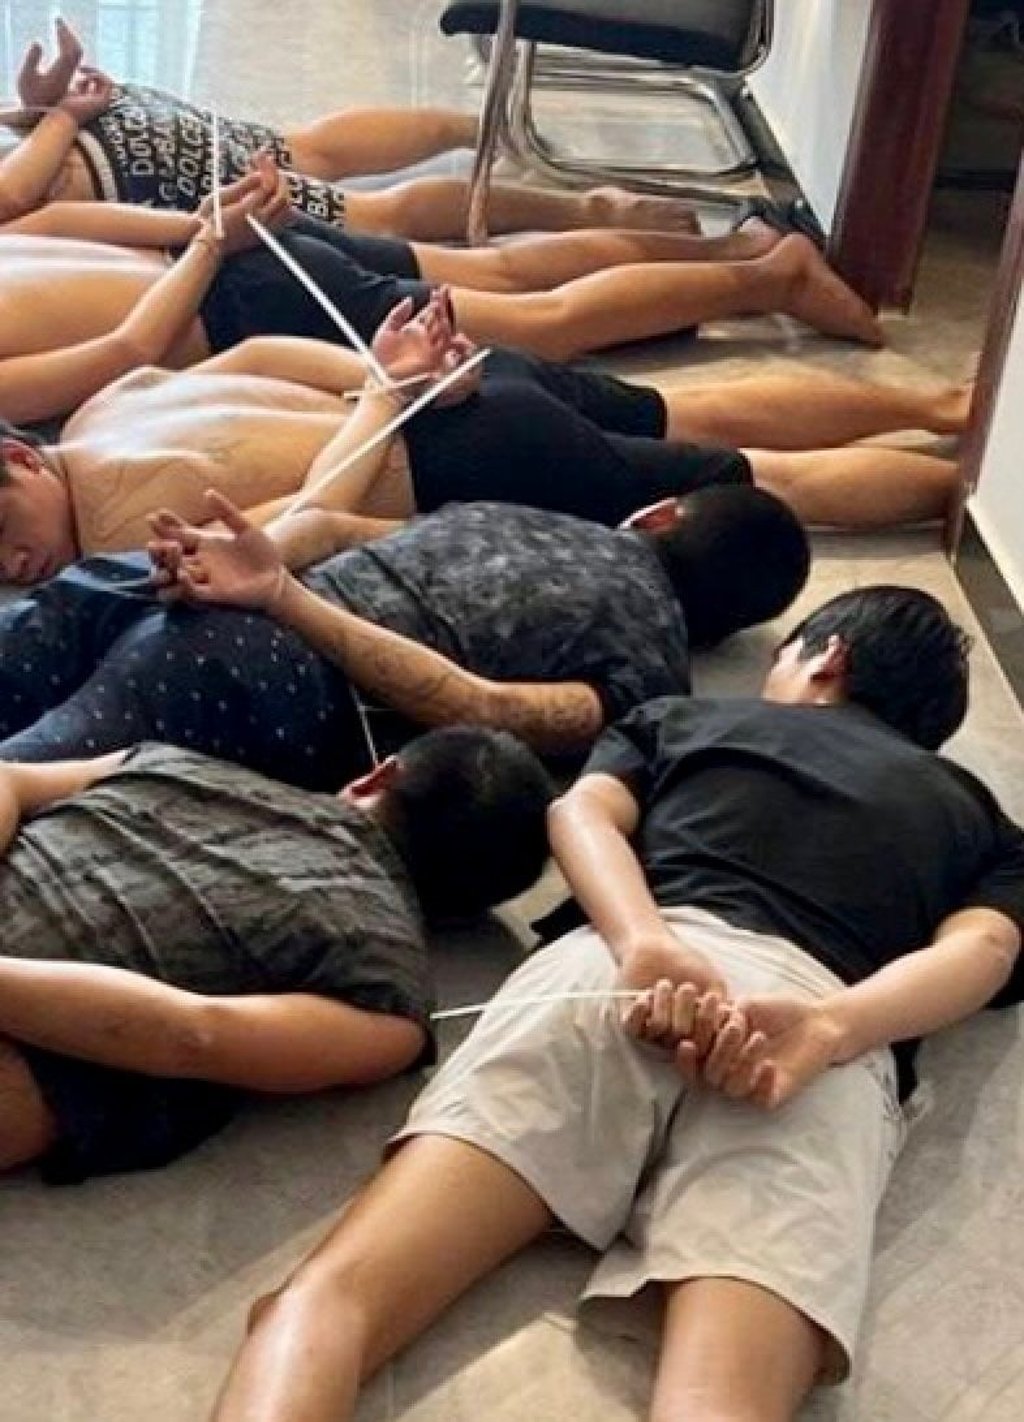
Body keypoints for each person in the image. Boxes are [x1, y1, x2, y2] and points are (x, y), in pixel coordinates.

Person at [205, 585, 1024, 1422]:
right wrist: (832, 1026)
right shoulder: (981, 822)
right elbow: (986, 953)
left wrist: (642, 943)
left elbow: (581, 813)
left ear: (828, 657)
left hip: (617, 971)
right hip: (811, 1046)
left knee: (334, 1302)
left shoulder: (684, 720)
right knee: (722, 1406)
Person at [0, 291, 962, 582]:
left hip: (463, 453)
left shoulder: (122, 534)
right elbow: (257, 356)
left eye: (1, 535)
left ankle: (976, 481)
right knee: (700, 412)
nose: (12, 566)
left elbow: (307, 519)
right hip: (454, 397)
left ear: (18, 458)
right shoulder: (106, 406)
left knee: (765, 483)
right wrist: (397, 370)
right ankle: (949, 412)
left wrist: (388, 391)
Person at [0, 724, 554, 1183]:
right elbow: (198, 1034)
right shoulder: (387, 996)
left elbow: (11, 778)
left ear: (378, 775)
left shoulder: (177, 762)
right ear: (463, 910)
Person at [0, 143, 882, 427]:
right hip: (245, 265)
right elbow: (110, 321)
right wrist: (216, 230)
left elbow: (131, 349)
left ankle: (765, 276)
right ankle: (737, 255)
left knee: (542, 322)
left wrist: (213, 231)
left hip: (244, 289)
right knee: (503, 274)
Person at [0, 483, 810, 789]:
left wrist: (245, 566)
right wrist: (268, 588)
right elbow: (484, 708)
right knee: (28, 773)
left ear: (661, 514)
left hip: (243, 631)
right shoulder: (653, 670)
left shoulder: (528, 509)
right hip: (260, 659)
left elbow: (328, 525)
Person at [2, 17, 703, 241]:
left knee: (376, 216)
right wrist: (42, 111)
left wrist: (54, 113)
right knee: (310, 147)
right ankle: (482, 128)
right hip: (122, 131)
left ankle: (588, 211)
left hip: (130, 173)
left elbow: (12, 196)